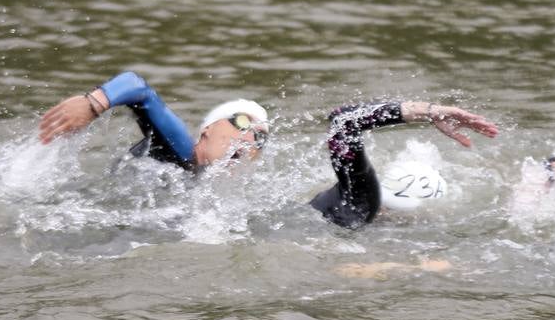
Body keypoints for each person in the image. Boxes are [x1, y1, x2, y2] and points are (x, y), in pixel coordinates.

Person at [310, 100, 499, 228]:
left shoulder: (338, 201)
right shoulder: (360, 208)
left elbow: (343, 121)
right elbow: (343, 121)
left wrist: (428, 111)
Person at [38, 71, 269, 170]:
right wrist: (93, 104)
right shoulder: (180, 151)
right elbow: (138, 88)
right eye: (242, 122)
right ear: (208, 129)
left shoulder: (203, 192)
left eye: (260, 138)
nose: (249, 137)